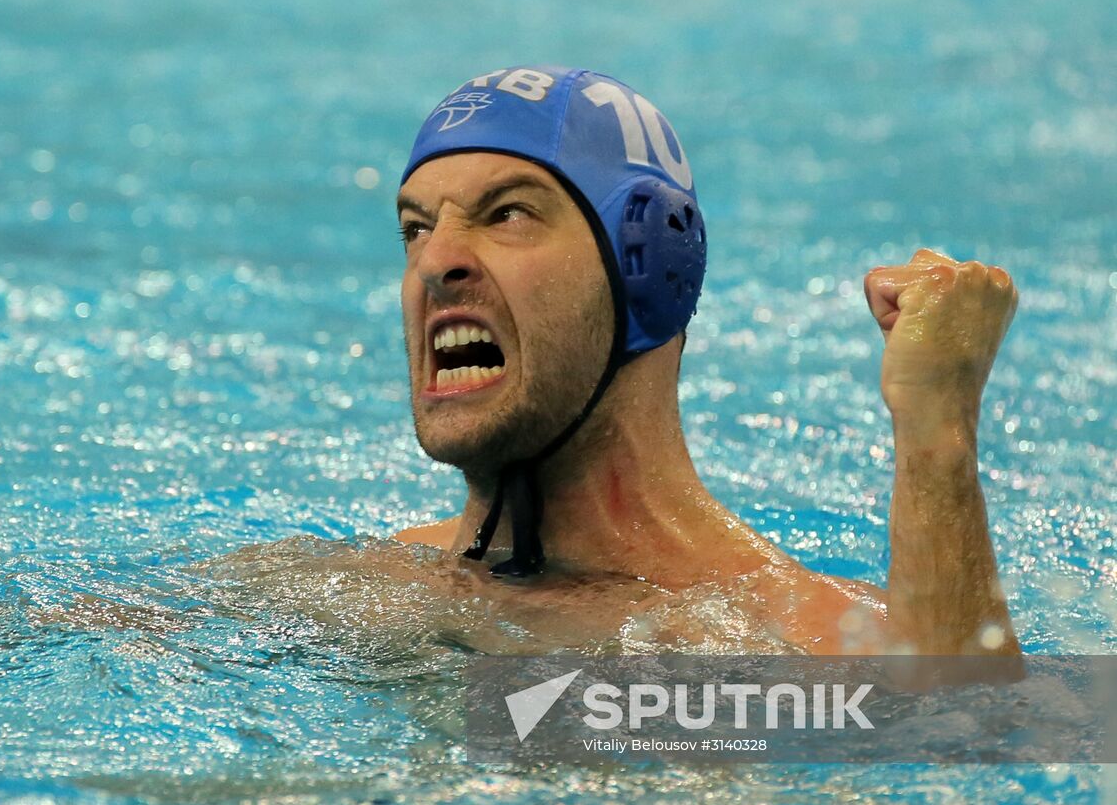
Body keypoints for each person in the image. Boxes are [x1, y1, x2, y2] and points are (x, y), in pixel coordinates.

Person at [388, 66, 1021, 656]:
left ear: (648, 268)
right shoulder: (354, 592)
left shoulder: (794, 637)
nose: (435, 263)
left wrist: (936, 424)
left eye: (508, 213)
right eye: (415, 228)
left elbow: (965, 735)